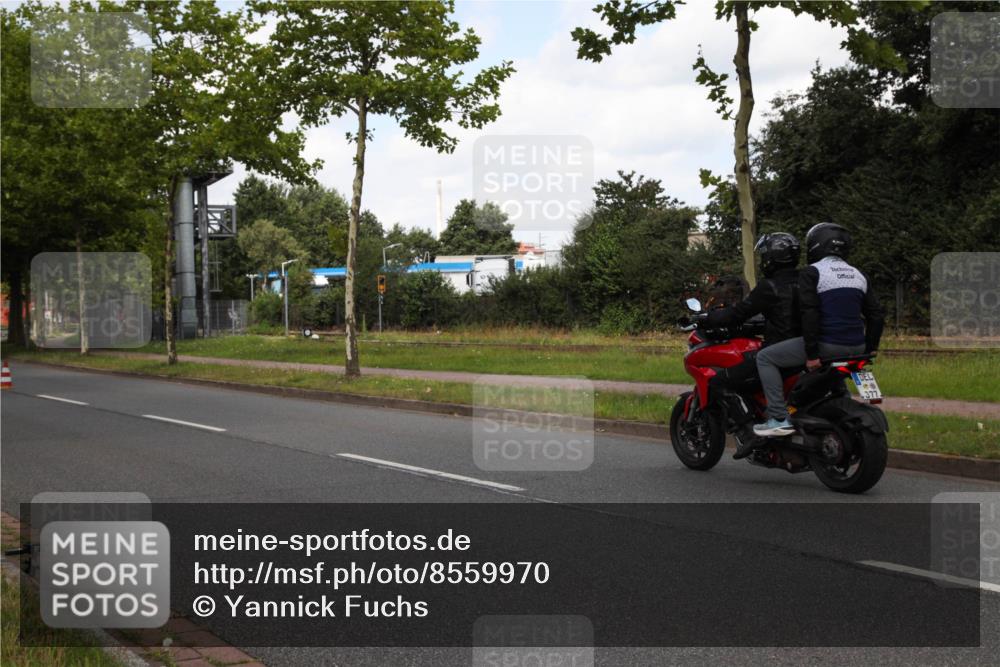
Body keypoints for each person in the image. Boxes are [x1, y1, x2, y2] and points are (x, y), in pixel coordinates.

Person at [753, 222, 885, 437]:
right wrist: (870, 348)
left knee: (765, 358)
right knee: (835, 369)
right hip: (858, 348)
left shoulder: (812, 272)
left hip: (827, 346)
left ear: (816, 245)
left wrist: (812, 354)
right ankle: (840, 407)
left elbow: (810, 313)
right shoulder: (858, 274)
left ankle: (778, 418)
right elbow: (876, 314)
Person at [701, 232, 802, 459]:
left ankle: (750, 433)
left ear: (772, 258)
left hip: (780, 350)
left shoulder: (770, 286)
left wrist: (709, 318)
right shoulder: (806, 280)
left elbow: (739, 312)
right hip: (807, 349)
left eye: (765, 255)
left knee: (720, 381)